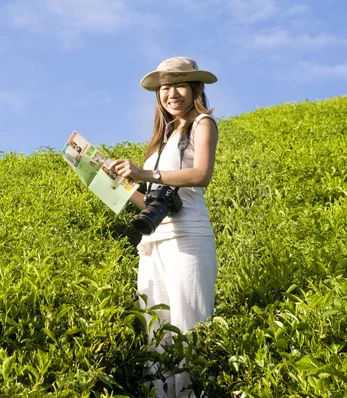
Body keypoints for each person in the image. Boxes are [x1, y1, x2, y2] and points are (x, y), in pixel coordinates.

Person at [110, 57, 219, 397]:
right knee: (156, 330)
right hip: (155, 241)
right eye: (165, 87)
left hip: (189, 238)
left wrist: (143, 174)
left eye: (179, 84)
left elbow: (201, 175)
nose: (172, 93)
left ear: (194, 88)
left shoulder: (202, 124)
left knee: (189, 325)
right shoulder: (160, 141)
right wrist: (118, 186)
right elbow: (152, 203)